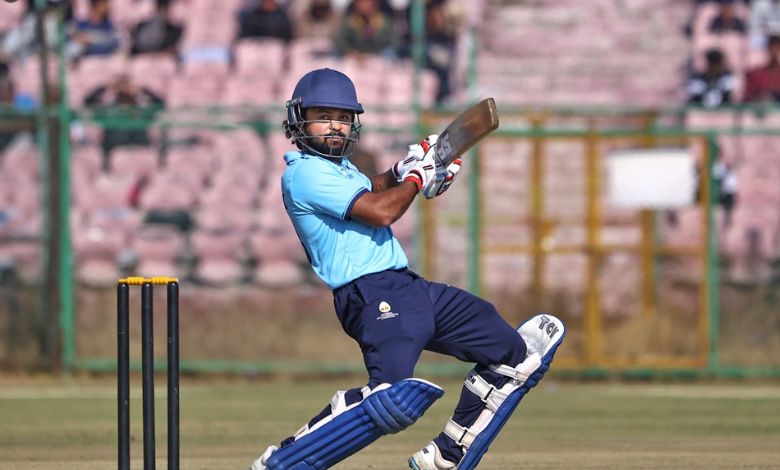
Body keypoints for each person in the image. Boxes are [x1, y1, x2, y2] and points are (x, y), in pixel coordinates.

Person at [248, 68, 566, 470]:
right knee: (391, 400)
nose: (335, 126)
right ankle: (286, 460)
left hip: (408, 288)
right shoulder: (305, 172)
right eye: (323, 115)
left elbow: (373, 189)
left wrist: (404, 170)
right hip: (370, 295)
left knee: (513, 354)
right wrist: (418, 178)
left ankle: (447, 456)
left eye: (343, 118)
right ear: (298, 119)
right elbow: (381, 212)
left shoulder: (339, 169)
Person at [83, 74, 164, 167]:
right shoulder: (108, 111)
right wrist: (107, 87)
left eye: (127, 86)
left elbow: (160, 104)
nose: (125, 90)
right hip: (114, 157)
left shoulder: (141, 111)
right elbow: (88, 103)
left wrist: (141, 89)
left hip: (140, 154)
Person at [744, 34, 780, 102]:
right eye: (772, 48)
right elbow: (747, 97)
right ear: (767, 48)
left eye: (777, 48)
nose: (774, 51)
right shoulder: (755, 74)